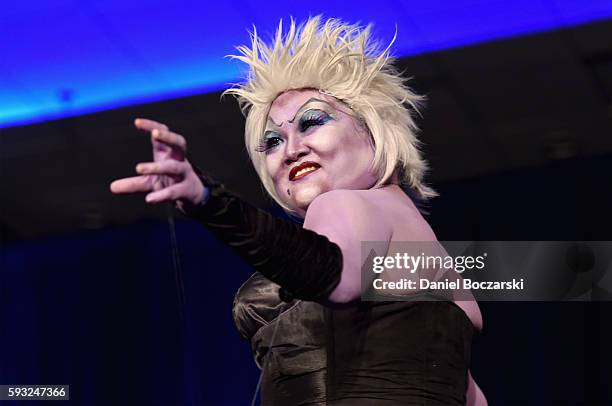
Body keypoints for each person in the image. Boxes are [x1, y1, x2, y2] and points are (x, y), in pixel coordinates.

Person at [111, 16, 487, 405]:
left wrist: (211, 201)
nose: (291, 149)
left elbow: (333, 275)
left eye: (311, 122)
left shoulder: (344, 203)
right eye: (272, 141)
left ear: (372, 130)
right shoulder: (429, 256)